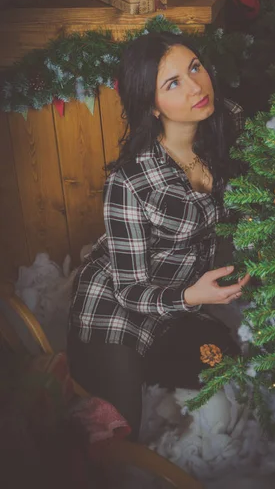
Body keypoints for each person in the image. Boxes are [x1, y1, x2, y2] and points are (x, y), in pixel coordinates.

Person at [67, 31, 250, 441]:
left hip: (180, 302)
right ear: (152, 106)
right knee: (119, 430)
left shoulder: (226, 121)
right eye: (174, 83)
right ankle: (104, 363)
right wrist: (192, 296)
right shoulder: (130, 182)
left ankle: (149, 362)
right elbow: (129, 289)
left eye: (194, 68)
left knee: (226, 365)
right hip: (118, 306)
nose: (196, 87)